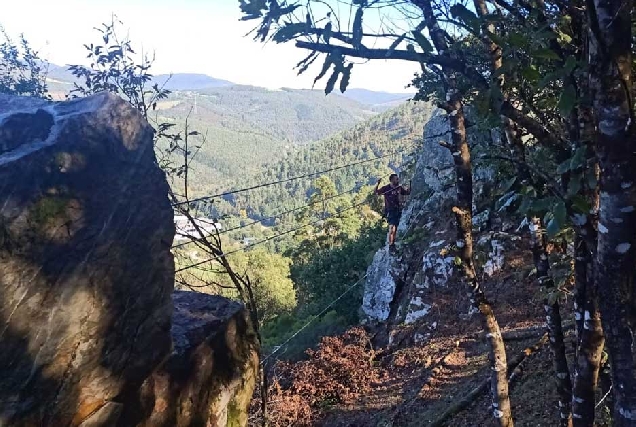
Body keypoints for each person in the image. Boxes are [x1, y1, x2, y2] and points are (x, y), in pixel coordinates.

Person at [375, 173, 410, 250]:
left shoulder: (399, 188)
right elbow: (377, 192)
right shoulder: (386, 188)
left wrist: (410, 185)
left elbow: (407, 193)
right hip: (390, 210)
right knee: (392, 228)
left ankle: (393, 244)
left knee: (395, 228)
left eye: (398, 179)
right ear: (392, 180)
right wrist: (378, 183)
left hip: (398, 210)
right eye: (396, 179)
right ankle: (391, 245)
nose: (398, 180)